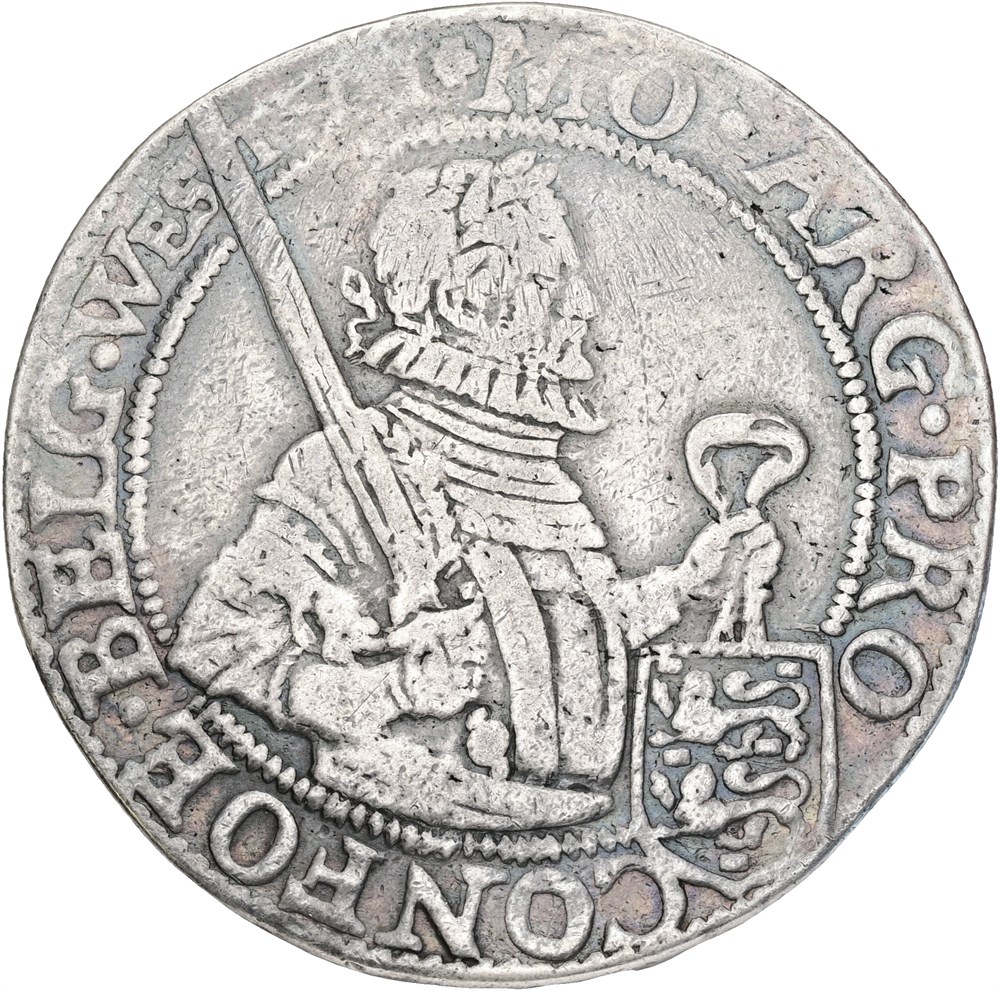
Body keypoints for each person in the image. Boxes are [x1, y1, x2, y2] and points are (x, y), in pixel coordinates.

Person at [170, 150, 777, 830]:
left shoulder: (537, 472)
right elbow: (214, 645)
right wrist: (390, 688)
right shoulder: (345, 466)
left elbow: (570, 637)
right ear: (469, 301)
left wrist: (686, 588)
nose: (582, 308)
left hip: (572, 823)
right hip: (399, 819)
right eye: (553, 283)